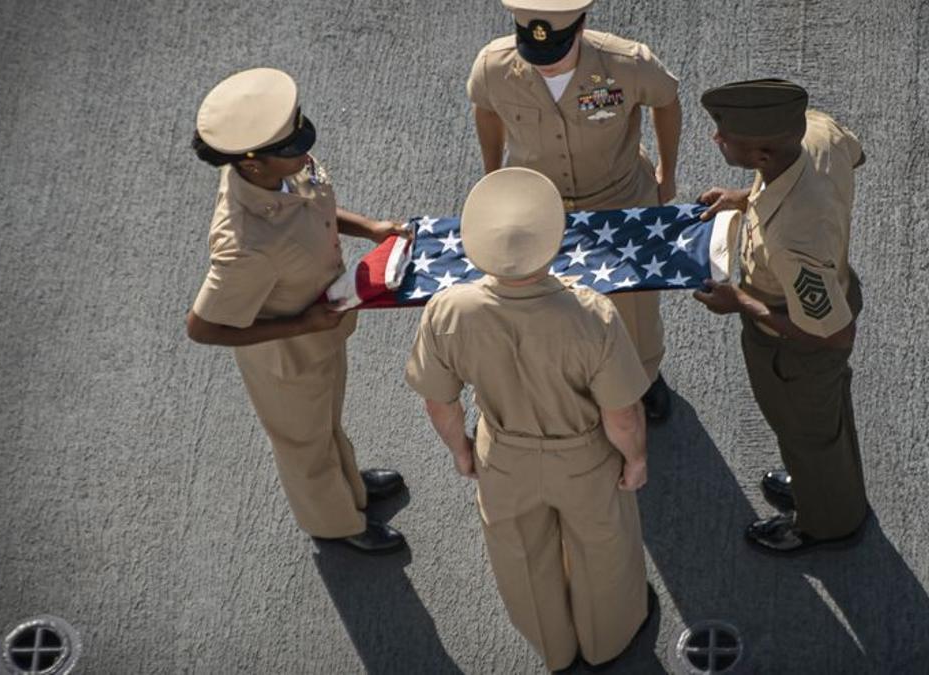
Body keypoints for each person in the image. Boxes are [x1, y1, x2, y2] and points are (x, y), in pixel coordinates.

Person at [406, 168, 653, 671]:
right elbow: (621, 413)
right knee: (603, 550)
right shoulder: (593, 316)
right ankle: (606, 643)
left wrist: (462, 452)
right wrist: (635, 459)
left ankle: (555, 651)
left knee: (520, 557)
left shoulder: (448, 310)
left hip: (505, 455)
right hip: (583, 455)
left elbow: (440, 402)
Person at [185, 67, 407, 555]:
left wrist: (369, 227)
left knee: (326, 421)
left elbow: (313, 208)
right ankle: (336, 522)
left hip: (323, 328)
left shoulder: (282, 164)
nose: (305, 153)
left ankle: (350, 485)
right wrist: (301, 324)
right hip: (286, 358)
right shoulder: (243, 243)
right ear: (252, 163)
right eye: (290, 151)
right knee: (303, 445)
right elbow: (201, 327)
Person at [467, 0, 682, 421]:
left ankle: (644, 377)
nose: (544, 64)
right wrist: (492, 178)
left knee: (632, 306)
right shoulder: (493, 65)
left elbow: (667, 100)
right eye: (533, 53)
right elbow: (486, 111)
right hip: (537, 206)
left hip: (618, 198)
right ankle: (575, 381)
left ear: (581, 27)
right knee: (546, 302)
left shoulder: (626, 62)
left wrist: (667, 171)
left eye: (555, 52)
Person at [692, 79, 869, 554]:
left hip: (797, 347)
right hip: (828, 294)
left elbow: (832, 334)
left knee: (808, 435)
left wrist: (740, 303)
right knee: (822, 428)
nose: (717, 140)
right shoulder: (814, 131)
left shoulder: (793, 240)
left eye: (725, 139)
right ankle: (820, 483)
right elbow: (853, 157)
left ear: (764, 155)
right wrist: (745, 197)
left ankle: (827, 522)